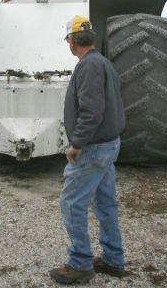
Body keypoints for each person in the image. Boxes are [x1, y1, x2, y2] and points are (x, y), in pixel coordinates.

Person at [49, 15, 126, 285]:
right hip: (109, 144)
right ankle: (114, 260)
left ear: (72, 41)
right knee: (105, 203)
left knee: (72, 203)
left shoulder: (88, 66)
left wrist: (77, 143)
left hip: (93, 148)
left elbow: (91, 112)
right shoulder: (103, 62)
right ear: (90, 38)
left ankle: (80, 264)